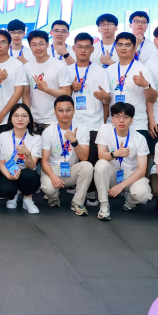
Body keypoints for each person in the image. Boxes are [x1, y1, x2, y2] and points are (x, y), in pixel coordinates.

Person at [93, 102, 152, 221]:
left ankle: (130, 201)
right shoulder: (105, 129)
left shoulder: (140, 138)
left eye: (126, 117)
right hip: (111, 173)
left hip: (129, 174)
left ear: (132, 120)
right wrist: (115, 154)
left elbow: (142, 169)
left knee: (143, 194)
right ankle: (104, 205)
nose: (121, 120)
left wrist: (121, 186)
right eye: (117, 116)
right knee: (101, 165)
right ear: (112, 118)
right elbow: (101, 155)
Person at [69, 32, 109, 206]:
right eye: (79, 46)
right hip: (73, 122)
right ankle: (76, 186)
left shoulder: (100, 71)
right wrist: (71, 88)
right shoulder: (67, 70)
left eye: (87, 47)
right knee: (73, 157)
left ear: (92, 49)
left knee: (91, 158)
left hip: (94, 122)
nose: (83, 50)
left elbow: (107, 100)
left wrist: (104, 96)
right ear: (74, 48)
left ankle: (91, 191)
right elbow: (62, 97)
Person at [102, 32, 156, 151]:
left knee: (139, 159)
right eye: (120, 45)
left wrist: (146, 85)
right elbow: (106, 102)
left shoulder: (143, 70)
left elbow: (152, 99)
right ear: (115, 47)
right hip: (113, 124)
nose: (123, 48)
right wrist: (104, 121)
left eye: (127, 45)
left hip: (137, 123)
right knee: (113, 158)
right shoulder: (108, 71)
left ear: (134, 47)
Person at [40, 95, 93, 215]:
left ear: (74, 110)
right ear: (55, 111)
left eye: (68, 110)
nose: (64, 113)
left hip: (71, 169)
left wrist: (74, 141)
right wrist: (53, 176)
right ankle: (53, 197)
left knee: (87, 166)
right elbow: (44, 161)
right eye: (60, 110)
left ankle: (77, 202)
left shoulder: (82, 129)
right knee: (48, 188)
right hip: (53, 169)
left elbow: (84, 157)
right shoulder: (48, 131)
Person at [0, 103, 42, 214]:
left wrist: (27, 154)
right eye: (16, 115)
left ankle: (28, 199)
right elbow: (1, 162)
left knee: (28, 175)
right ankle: (13, 196)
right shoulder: (3, 136)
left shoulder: (36, 138)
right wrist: (9, 176)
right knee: (5, 189)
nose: (20, 119)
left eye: (24, 116)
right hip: (9, 172)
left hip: (27, 173)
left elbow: (31, 166)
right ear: (11, 119)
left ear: (29, 119)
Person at [24, 30, 71, 131]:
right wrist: (28, 116)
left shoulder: (59, 65)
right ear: (30, 46)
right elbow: (26, 95)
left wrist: (47, 89)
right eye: (34, 45)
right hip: (34, 120)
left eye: (41, 44)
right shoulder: (26, 67)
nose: (38, 48)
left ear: (47, 44)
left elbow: (67, 93)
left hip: (55, 120)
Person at [0, 30, 28, 125]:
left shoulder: (17, 65)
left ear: (9, 45)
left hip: (12, 117)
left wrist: (2, 114)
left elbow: (18, 93)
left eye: (3, 42)